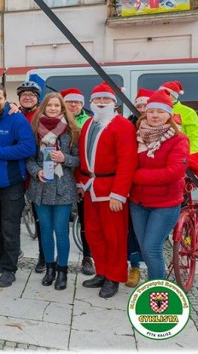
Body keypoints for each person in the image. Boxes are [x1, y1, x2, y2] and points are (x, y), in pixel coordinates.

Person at [77, 82, 137, 299]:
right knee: (94, 234)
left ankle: (114, 276)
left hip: (111, 191)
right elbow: (84, 157)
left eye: (106, 99)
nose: (101, 103)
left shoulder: (122, 125)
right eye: (97, 99)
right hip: (91, 187)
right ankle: (101, 271)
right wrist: (80, 183)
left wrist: (119, 193)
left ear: (114, 103)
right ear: (91, 103)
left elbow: (127, 162)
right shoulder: (89, 124)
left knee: (114, 236)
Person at [0, 84, 36, 288]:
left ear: (6, 99)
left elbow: (29, 147)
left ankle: (9, 269)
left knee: (9, 228)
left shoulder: (16, 118)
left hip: (11, 183)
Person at [130, 89, 189, 281]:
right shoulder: (138, 134)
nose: (155, 115)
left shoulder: (178, 139)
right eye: (151, 110)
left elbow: (174, 172)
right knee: (144, 247)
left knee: (152, 248)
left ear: (169, 115)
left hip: (165, 204)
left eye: (161, 111)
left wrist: (136, 176)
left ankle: (157, 293)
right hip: (139, 202)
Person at [26, 93, 80, 290]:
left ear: (62, 108)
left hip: (62, 187)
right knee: (46, 231)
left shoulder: (72, 130)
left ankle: (63, 270)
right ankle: (50, 267)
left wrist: (64, 158)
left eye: (57, 105)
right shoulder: (34, 129)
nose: (54, 108)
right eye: (50, 105)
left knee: (61, 231)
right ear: (44, 107)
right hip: (41, 186)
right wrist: (36, 171)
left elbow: (79, 160)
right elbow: (29, 159)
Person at [60, 87, 94, 276]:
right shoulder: (58, 120)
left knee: (85, 219)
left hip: (82, 177)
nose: (73, 105)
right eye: (70, 101)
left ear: (82, 104)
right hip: (62, 177)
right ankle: (60, 255)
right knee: (61, 219)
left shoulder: (89, 122)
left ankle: (87, 257)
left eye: (77, 102)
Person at [16, 80, 46, 273]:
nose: (27, 97)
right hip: (17, 174)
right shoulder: (14, 114)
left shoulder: (41, 117)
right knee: (12, 216)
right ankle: (13, 251)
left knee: (40, 219)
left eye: (32, 95)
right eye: (24, 94)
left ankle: (44, 256)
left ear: (37, 99)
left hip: (37, 175)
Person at [125, 88, 153, 287]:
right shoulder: (128, 124)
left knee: (153, 236)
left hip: (156, 187)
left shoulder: (165, 128)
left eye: (146, 105)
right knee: (133, 230)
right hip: (133, 187)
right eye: (139, 105)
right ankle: (134, 267)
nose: (142, 108)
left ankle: (155, 270)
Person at [159, 81, 198, 154]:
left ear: (174, 95)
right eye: (159, 92)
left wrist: (189, 155)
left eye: (165, 92)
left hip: (180, 154)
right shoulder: (154, 109)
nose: (160, 94)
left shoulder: (188, 112)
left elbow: (195, 137)